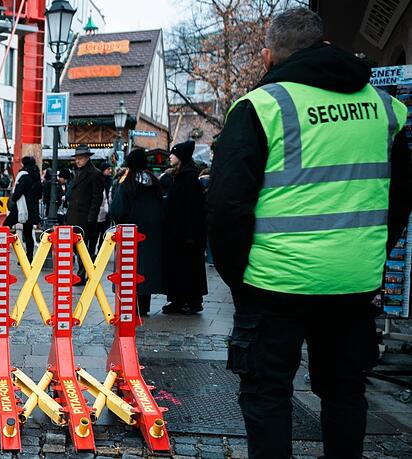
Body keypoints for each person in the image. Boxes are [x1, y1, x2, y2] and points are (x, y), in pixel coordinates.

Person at [207, 8, 412, 459]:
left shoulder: (262, 107)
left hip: (275, 282)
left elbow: (225, 207)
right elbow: (400, 197)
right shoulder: (385, 108)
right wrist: (370, 254)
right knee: (345, 391)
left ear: (268, 57)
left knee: (267, 392)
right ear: (325, 44)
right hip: (353, 282)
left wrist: (239, 276)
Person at [109, 149, 164, 316]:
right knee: (146, 268)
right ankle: (144, 305)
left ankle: (130, 306)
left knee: (130, 268)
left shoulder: (127, 182)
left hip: (131, 233)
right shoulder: (154, 182)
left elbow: (117, 210)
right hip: (152, 233)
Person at [161, 140, 207, 314]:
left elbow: (192, 209)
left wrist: (190, 234)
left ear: (181, 157)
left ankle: (193, 301)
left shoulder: (189, 178)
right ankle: (177, 300)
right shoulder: (179, 175)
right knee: (177, 267)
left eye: (173, 154)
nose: (170, 157)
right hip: (176, 232)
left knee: (189, 268)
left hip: (186, 233)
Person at [66, 145, 104, 286]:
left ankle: (82, 274)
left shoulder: (94, 173)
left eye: (80, 158)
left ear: (87, 158)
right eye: (77, 158)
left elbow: (97, 198)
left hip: (84, 216)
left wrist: (91, 218)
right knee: (75, 246)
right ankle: (82, 272)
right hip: (74, 214)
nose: (77, 161)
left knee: (82, 246)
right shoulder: (78, 172)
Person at [6, 156, 42, 260]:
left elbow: (18, 192)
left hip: (20, 207)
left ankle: (0, 248)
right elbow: (39, 194)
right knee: (28, 233)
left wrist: (13, 199)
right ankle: (29, 257)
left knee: (5, 226)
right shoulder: (36, 176)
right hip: (32, 209)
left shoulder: (23, 176)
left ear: (24, 164)